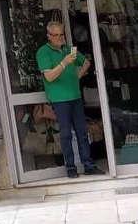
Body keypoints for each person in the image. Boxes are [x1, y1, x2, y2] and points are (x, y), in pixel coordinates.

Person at [36, 21, 104, 178]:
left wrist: (77, 75)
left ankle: (88, 165)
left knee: (82, 132)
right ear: (49, 36)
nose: (60, 38)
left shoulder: (68, 49)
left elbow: (86, 62)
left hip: (75, 96)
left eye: (62, 34)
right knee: (66, 134)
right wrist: (64, 63)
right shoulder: (43, 52)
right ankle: (71, 168)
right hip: (59, 99)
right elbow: (49, 76)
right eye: (56, 35)